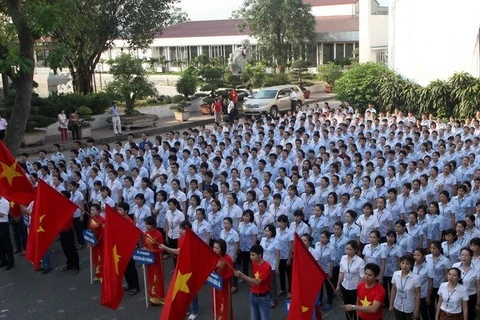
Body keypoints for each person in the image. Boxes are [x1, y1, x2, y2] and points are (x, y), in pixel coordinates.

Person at [234, 244, 272, 320]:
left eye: (253, 255)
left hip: (263, 297)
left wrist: (242, 276)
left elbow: (257, 281)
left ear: (260, 255)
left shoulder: (266, 266)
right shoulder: (254, 263)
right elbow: (253, 278)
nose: (251, 257)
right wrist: (249, 283)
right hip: (253, 295)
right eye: (250, 255)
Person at [336, 240, 365, 320]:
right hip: (345, 286)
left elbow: (362, 277)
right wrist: (338, 285)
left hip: (355, 288)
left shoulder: (360, 261)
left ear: (355, 250)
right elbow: (341, 272)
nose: (347, 251)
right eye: (347, 249)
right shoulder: (343, 258)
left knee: (355, 307)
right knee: (347, 307)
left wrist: (360, 289)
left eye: (350, 249)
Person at [116, 202, 140, 296]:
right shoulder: (118, 219)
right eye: (118, 209)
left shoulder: (129, 222)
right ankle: (129, 284)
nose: (118, 211)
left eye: (120, 210)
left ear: (126, 211)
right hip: (121, 247)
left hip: (129, 248)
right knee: (124, 267)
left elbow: (132, 235)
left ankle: (135, 286)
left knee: (131, 268)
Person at [389, 255, 421, 320]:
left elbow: (418, 295)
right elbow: (393, 290)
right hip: (397, 305)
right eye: (402, 263)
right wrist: (391, 304)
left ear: (411, 265)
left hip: (409, 307)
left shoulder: (416, 278)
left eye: (407, 264)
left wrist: (416, 310)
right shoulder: (396, 274)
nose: (404, 266)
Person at [143, 216, 165, 306]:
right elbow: (145, 245)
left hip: (157, 259)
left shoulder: (158, 234)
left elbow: (161, 250)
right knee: (150, 277)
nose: (147, 226)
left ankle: (159, 297)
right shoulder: (146, 233)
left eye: (148, 224)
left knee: (157, 278)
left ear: (153, 225)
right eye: (146, 224)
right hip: (149, 259)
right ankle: (152, 296)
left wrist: (151, 251)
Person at [452, 247, 480, 320]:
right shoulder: (455, 266)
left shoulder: (476, 269)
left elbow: (478, 287)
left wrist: (478, 302)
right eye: (462, 255)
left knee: (469, 316)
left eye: (466, 255)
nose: (464, 257)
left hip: (470, 297)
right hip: (456, 295)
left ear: (471, 257)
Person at [212, 239, 234, 320]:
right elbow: (208, 270)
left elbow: (231, 273)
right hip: (214, 284)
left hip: (224, 285)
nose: (215, 249)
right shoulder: (212, 257)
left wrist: (222, 280)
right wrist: (215, 266)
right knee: (216, 303)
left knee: (224, 304)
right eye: (214, 247)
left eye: (217, 248)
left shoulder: (227, 258)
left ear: (222, 248)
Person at [60, 190, 80, 275]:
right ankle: (69, 264)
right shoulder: (59, 206)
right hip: (62, 231)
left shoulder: (69, 206)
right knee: (65, 249)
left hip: (68, 231)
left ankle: (76, 266)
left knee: (72, 249)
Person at [88, 203, 105, 281]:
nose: (92, 211)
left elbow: (102, 233)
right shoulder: (91, 218)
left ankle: (103, 275)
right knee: (95, 258)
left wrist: (97, 241)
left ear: (98, 211)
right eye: (91, 210)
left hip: (100, 242)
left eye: (93, 210)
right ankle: (97, 274)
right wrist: (89, 241)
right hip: (93, 241)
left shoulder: (102, 220)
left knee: (101, 258)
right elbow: (90, 230)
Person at [0, 195, 14, 270]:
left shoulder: (5, 202)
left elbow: (1, 215)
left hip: (3, 225)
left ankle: (10, 261)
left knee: (6, 243)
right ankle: (3, 260)